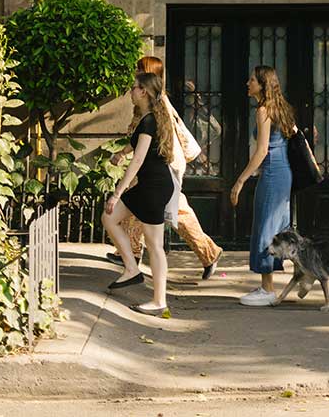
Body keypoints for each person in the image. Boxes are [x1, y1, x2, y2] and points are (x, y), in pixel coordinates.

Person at [108, 56, 223, 280]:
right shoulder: (150, 100)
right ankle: (132, 251)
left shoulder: (157, 103)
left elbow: (156, 137)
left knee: (174, 212)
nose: (135, 74)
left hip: (163, 168)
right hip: (161, 167)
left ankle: (209, 253)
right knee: (157, 207)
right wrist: (123, 153)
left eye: (139, 70)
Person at [103, 72, 174, 314]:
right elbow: (137, 145)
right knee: (109, 218)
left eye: (133, 88)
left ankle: (159, 300)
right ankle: (132, 269)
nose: (130, 92)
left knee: (155, 245)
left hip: (154, 187)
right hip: (149, 185)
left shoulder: (149, 121)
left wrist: (117, 192)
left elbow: (139, 159)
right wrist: (121, 152)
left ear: (143, 91)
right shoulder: (148, 118)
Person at [230, 64, 295, 307]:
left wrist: (240, 181)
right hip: (284, 171)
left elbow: (261, 151)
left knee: (265, 228)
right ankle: (304, 273)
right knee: (279, 227)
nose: (248, 84)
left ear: (261, 84)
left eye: (251, 81)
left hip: (272, 172)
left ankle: (268, 289)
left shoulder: (263, 110)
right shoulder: (281, 107)